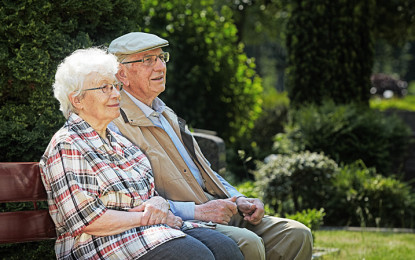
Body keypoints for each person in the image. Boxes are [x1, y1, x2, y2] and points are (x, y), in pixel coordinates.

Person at [108, 32, 313, 260]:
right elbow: (135, 201)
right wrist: (200, 211)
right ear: (121, 74)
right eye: (147, 60)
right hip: (184, 220)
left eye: (161, 58)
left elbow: (204, 171)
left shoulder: (165, 113)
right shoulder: (115, 124)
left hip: (215, 207)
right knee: (249, 243)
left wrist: (238, 198)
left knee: (296, 234)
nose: (160, 67)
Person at [39, 47, 244, 260]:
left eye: (115, 86)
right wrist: (147, 217)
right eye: (104, 88)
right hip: (98, 244)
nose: (116, 94)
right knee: (195, 256)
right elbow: (89, 221)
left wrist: (158, 205)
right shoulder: (68, 144)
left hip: (148, 232)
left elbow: (151, 197)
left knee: (225, 249)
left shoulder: (120, 142)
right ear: (77, 100)